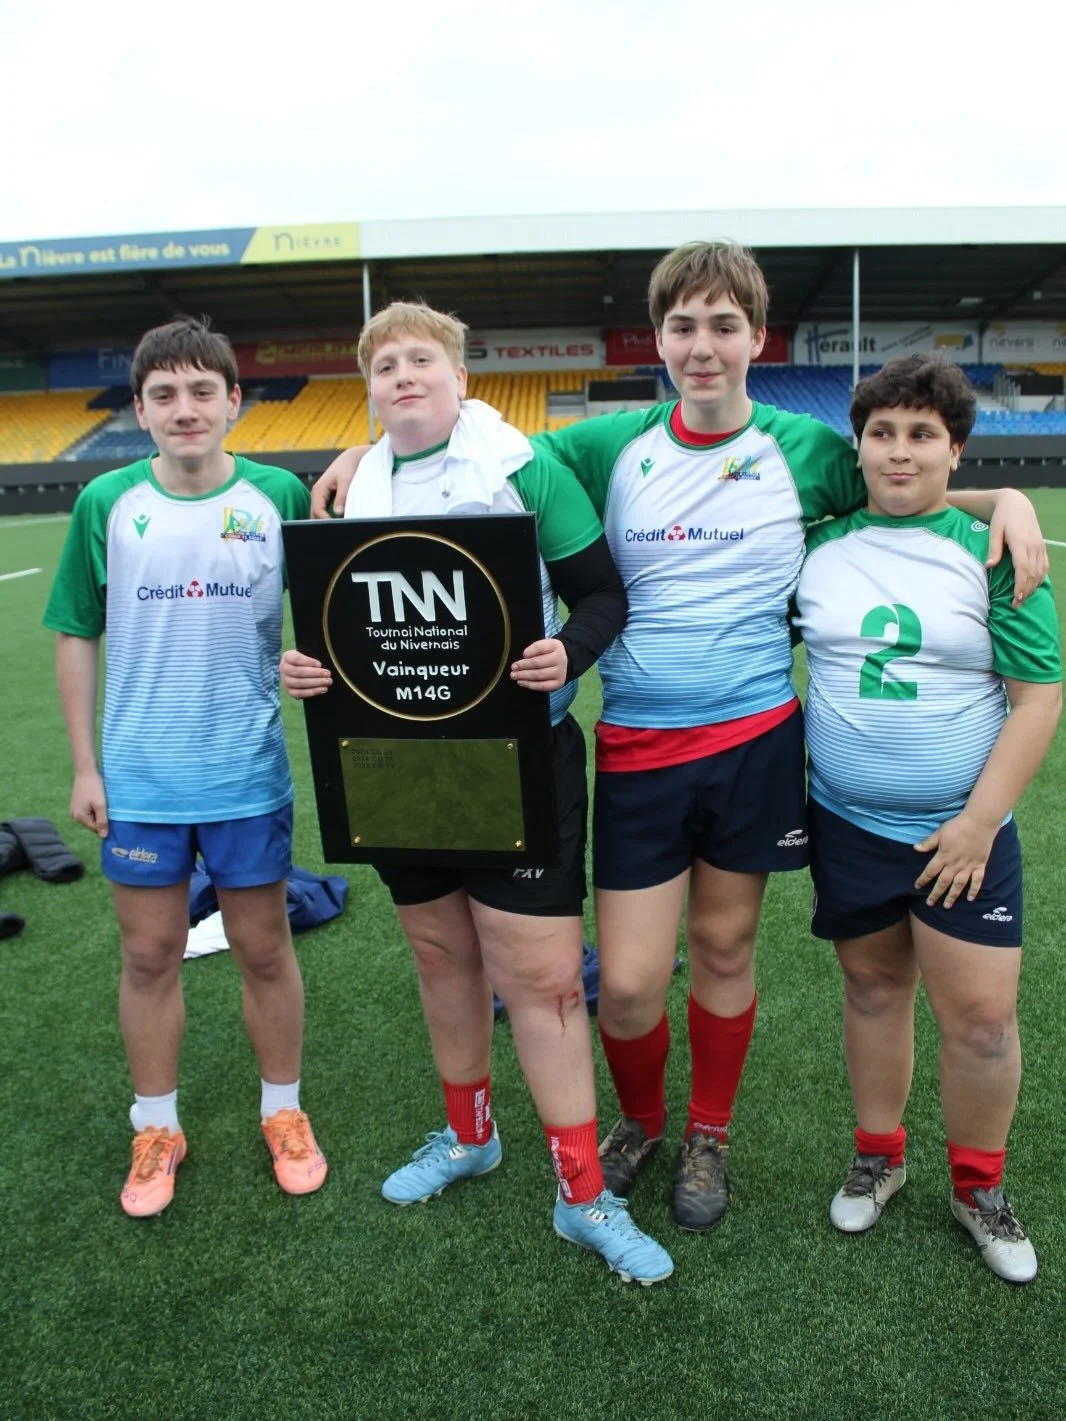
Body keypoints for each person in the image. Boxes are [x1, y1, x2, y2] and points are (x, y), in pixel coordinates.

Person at [309, 244, 1048, 1235]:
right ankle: (642, 1119)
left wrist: (1000, 498)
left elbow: (901, 482)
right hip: (636, 744)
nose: (703, 347)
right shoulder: (603, 445)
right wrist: (365, 452)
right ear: (658, 339)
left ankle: (709, 1132)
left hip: (752, 742)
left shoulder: (805, 446)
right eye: (682, 327)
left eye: (723, 325)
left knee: (725, 943)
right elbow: (467, 442)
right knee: (623, 981)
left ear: (757, 335)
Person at [282, 301, 672, 1285]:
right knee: (438, 953)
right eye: (384, 364)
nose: (403, 374)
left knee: (539, 978)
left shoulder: (522, 467)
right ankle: (471, 1135)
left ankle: (582, 1193)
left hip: (517, 754)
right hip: (397, 761)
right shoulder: (350, 488)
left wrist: (564, 654)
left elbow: (601, 594)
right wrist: (312, 668)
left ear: (461, 377)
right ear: (367, 389)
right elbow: (346, 622)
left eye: (422, 359)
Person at [43, 317, 327, 1217]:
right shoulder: (107, 503)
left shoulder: (279, 492)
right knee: (150, 951)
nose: (185, 407)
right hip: (141, 779)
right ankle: (156, 1124)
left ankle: (282, 1110)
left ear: (235, 401)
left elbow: (331, 607)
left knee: (262, 946)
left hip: (245, 772)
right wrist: (87, 767)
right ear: (140, 409)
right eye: (164, 394)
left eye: (203, 390)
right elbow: (75, 633)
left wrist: (304, 659)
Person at [795, 354, 1060, 1283]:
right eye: (882, 433)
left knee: (983, 1020)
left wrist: (981, 823)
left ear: (956, 448)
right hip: (848, 822)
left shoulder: (990, 551)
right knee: (872, 991)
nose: (899, 452)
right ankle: (881, 1151)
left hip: (965, 830)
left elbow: (1037, 698)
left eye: (922, 434)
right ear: (858, 445)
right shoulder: (815, 547)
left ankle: (978, 1183)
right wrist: (1009, 496)